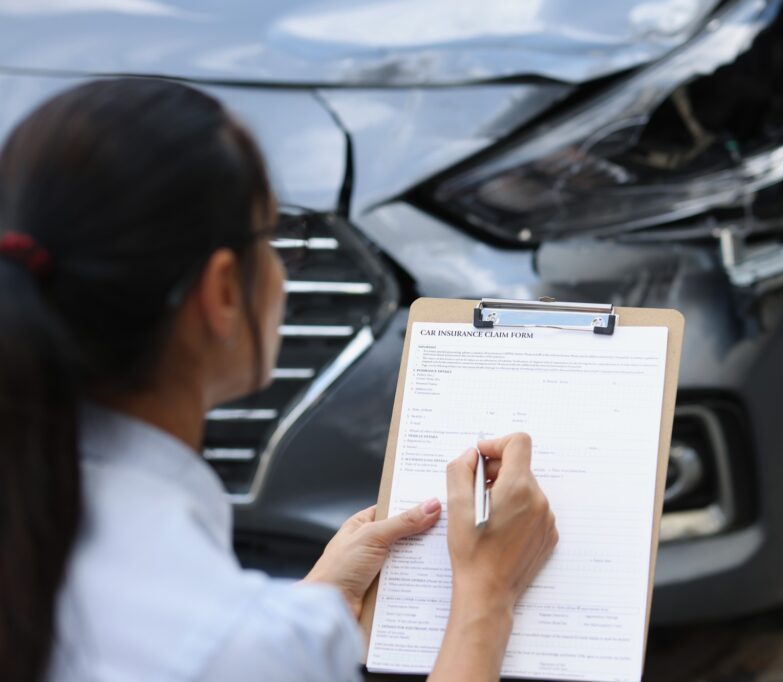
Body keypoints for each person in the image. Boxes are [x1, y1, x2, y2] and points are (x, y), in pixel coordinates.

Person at [0, 78, 558, 682]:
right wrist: (487, 594)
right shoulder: (240, 642)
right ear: (220, 293)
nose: (281, 270)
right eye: (274, 240)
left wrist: (322, 598)